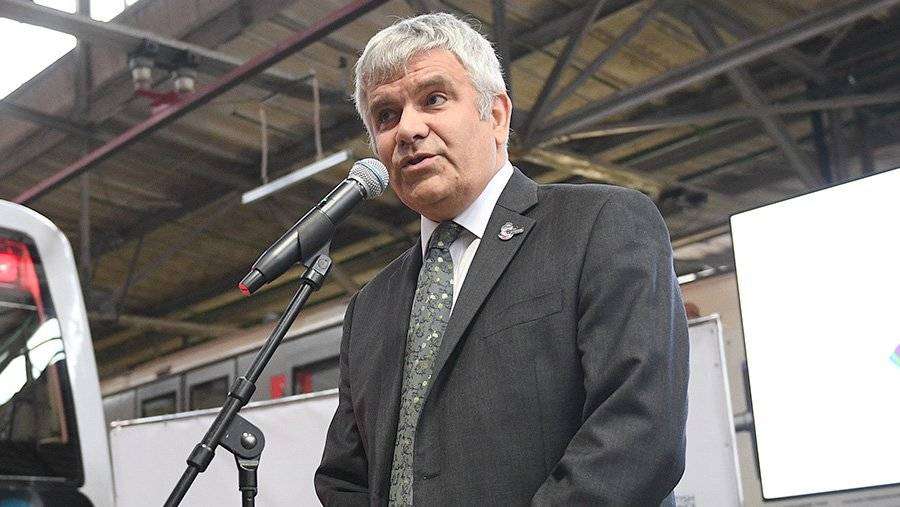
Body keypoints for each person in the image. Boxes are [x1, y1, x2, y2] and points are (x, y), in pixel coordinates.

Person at [315, 13, 689, 506]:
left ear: (495, 115)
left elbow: (638, 429)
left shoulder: (600, 224)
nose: (407, 129)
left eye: (434, 99)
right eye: (385, 115)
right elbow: (344, 478)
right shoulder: (369, 306)